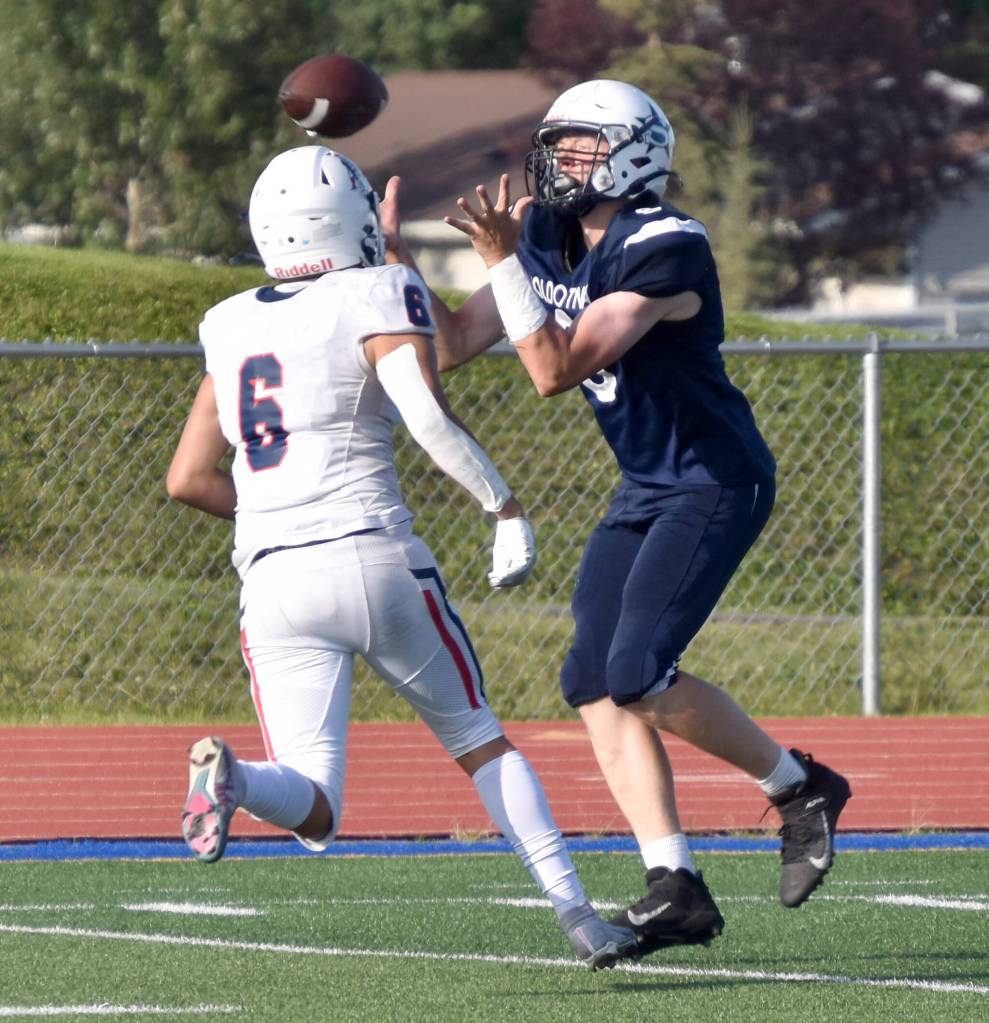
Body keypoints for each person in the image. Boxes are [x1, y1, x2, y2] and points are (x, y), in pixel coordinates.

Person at [380, 79, 852, 957]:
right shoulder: (554, 234)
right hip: (646, 481)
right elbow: (448, 344)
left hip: (712, 479)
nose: (556, 162)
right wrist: (391, 266)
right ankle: (674, 881)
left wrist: (499, 260)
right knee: (593, 678)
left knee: (638, 671)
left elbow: (553, 370)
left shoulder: (666, 245)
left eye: (577, 146)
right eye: (554, 144)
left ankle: (800, 787)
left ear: (631, 152)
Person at [165, 144, 636, 970]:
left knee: (315, 807)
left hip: (272, 579)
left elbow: (187, 478)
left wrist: (281, 512)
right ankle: (581, 919)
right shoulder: (375, 288)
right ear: (350, 220)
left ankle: (235, 780)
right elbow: (423, 415)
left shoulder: (227, 322)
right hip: (371, 556)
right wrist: (504, 503)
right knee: (480, 740)